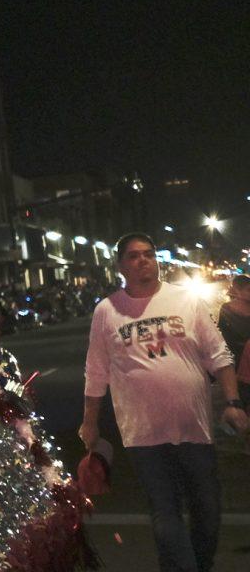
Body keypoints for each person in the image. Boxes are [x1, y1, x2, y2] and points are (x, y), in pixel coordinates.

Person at [82, 234, 248, 572]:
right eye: (133, 256)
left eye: (148, 254)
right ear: (120, 266)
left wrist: (234, 402)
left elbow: (219, 355)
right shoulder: (107, 311)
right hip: (143, 432)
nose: (143, 260)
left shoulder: (185, 301)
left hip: (194, 426)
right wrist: (90, 421)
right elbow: (96, 373)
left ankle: (194, 565)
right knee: (165, 509)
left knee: (208, 509)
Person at [219, 274, 250, 365]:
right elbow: (223, 334)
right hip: (234, 359)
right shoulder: (226, 308)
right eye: (249, 290)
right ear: (238, 291)